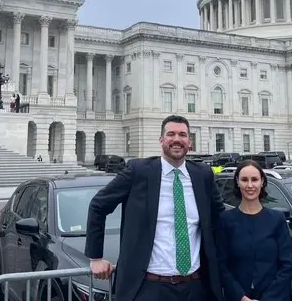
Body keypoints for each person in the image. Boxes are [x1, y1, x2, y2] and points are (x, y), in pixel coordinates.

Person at [85, 114, 225, 301]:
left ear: (189, 141)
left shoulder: (202, 175)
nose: (177, 139)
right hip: (150, 288)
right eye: (171, 134)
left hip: (195, 287)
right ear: (161, 140)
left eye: (182, 135)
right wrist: (95, 257)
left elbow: (220, 218)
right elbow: (98, 205)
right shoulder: (138, 171)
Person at [216, 160, 292, 301]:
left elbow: (287, 265)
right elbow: (222, 266)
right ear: (237, 182)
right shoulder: (226, 220)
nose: (250, 185)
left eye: (255, 180)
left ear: (262, 182)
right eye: (245, 180)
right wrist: (241, 297)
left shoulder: (277, 219)